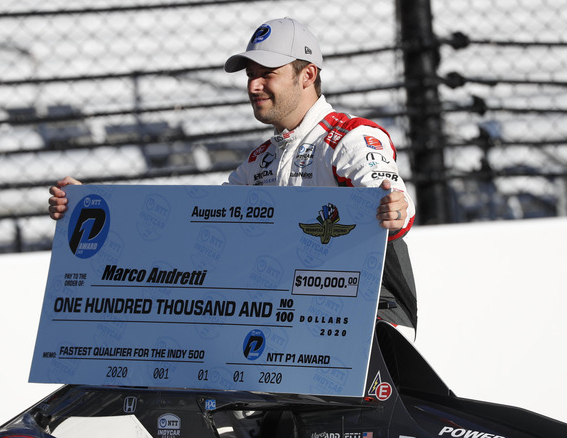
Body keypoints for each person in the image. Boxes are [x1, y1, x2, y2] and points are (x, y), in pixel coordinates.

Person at [48, 17, 418, 330]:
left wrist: (394, 209)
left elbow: (396, 209)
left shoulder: (350, 138)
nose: (254, 86)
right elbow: (197, 217)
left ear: (307, 75)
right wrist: (92, 205)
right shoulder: (262, 161)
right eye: (250, 75)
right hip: (298, 321)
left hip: (371, 318)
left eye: (267, 74)